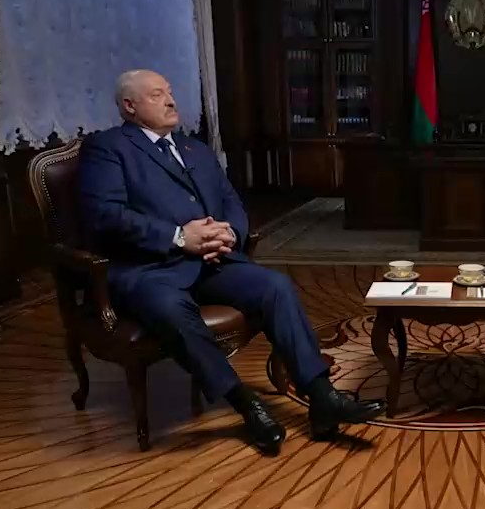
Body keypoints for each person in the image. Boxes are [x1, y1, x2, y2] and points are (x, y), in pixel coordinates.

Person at [77, 69, 386, 453]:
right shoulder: (108, 148)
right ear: (129, 106)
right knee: (171, 309)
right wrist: (179, 237)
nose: (171, 100)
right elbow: (105, 216)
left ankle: (322, 397)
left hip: (212, 260)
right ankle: (244, 402)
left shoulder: (194, 148)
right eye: (157, 95)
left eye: (169, 92)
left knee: (275, 286)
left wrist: (229, 234)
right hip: (150, 269)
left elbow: (230, 201)